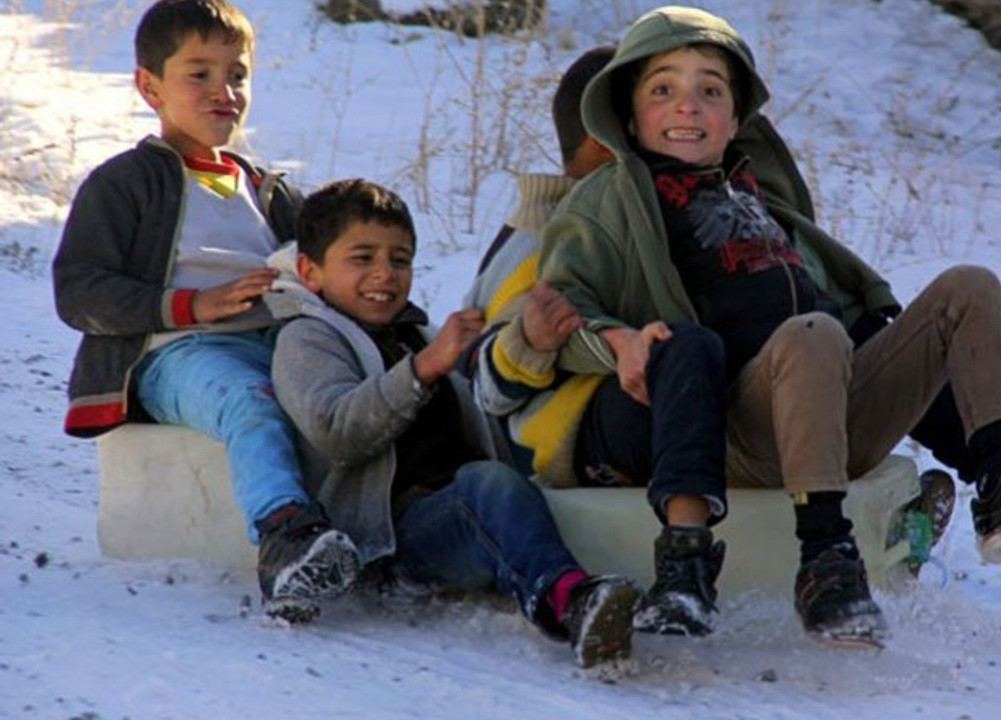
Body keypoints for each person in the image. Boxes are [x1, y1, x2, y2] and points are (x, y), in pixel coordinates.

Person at [534, 6, 1001, 647]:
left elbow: (855, 308)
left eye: (710, 90)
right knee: (814, 335)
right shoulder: (611, 201)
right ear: (629, 112)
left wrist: (893, 343)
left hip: (831, 416)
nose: (688, 107)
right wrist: (616, 342)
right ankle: (826, 561)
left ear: (735, 117)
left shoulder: (759, 202)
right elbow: (561, 304)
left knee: (967, 287)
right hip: (735, 431)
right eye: (663, 90)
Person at [51, 0, 358, 623]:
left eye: (237, 75)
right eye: (200, 74)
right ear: (149, 86)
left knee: (356, 395)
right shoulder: (125, 183)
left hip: (280, 341)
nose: (225, 91)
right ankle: (285, 537)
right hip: (177, 352)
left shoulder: (268, 189)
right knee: (252, 402)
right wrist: (194, 304)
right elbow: (79, 291)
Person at [267, 178, 639, 668]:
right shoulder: (306, 339)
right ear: (310, 272)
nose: (385, 274)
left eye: (399, 260)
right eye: (363, 258)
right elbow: (337, 431)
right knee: (482, 488)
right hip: (394, 539)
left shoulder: (414, 333)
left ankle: (573, 589)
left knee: (490, 481)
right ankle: (569, 601)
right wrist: (424, 370)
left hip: (457, 506)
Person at [461, 45, 616, 480]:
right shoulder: (545, 241)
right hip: (549, 467)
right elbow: (480, 384)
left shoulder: (596, 224)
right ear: (603, 141)